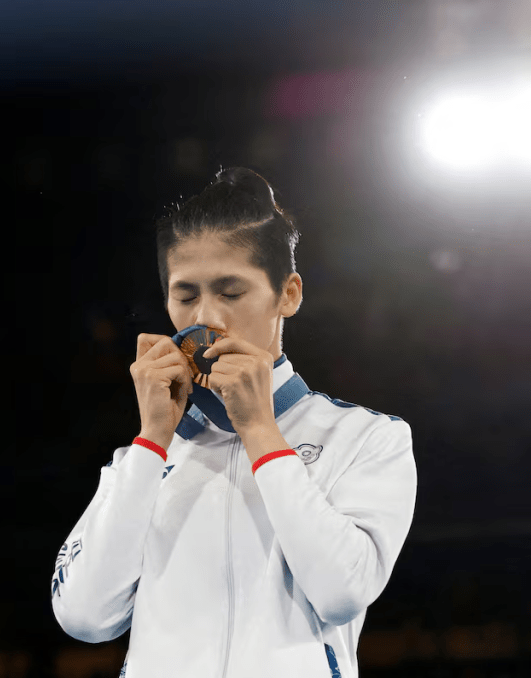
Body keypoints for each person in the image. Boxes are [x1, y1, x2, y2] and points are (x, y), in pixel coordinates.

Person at [51, 167, 417, 677]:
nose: (206, 318)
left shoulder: (367, 439)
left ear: (287, 294)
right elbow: (85, 617)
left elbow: (343, 592)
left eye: (230, 292)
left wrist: (261, 432)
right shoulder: (142, 461)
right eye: (185, 296)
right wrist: (153, 440)